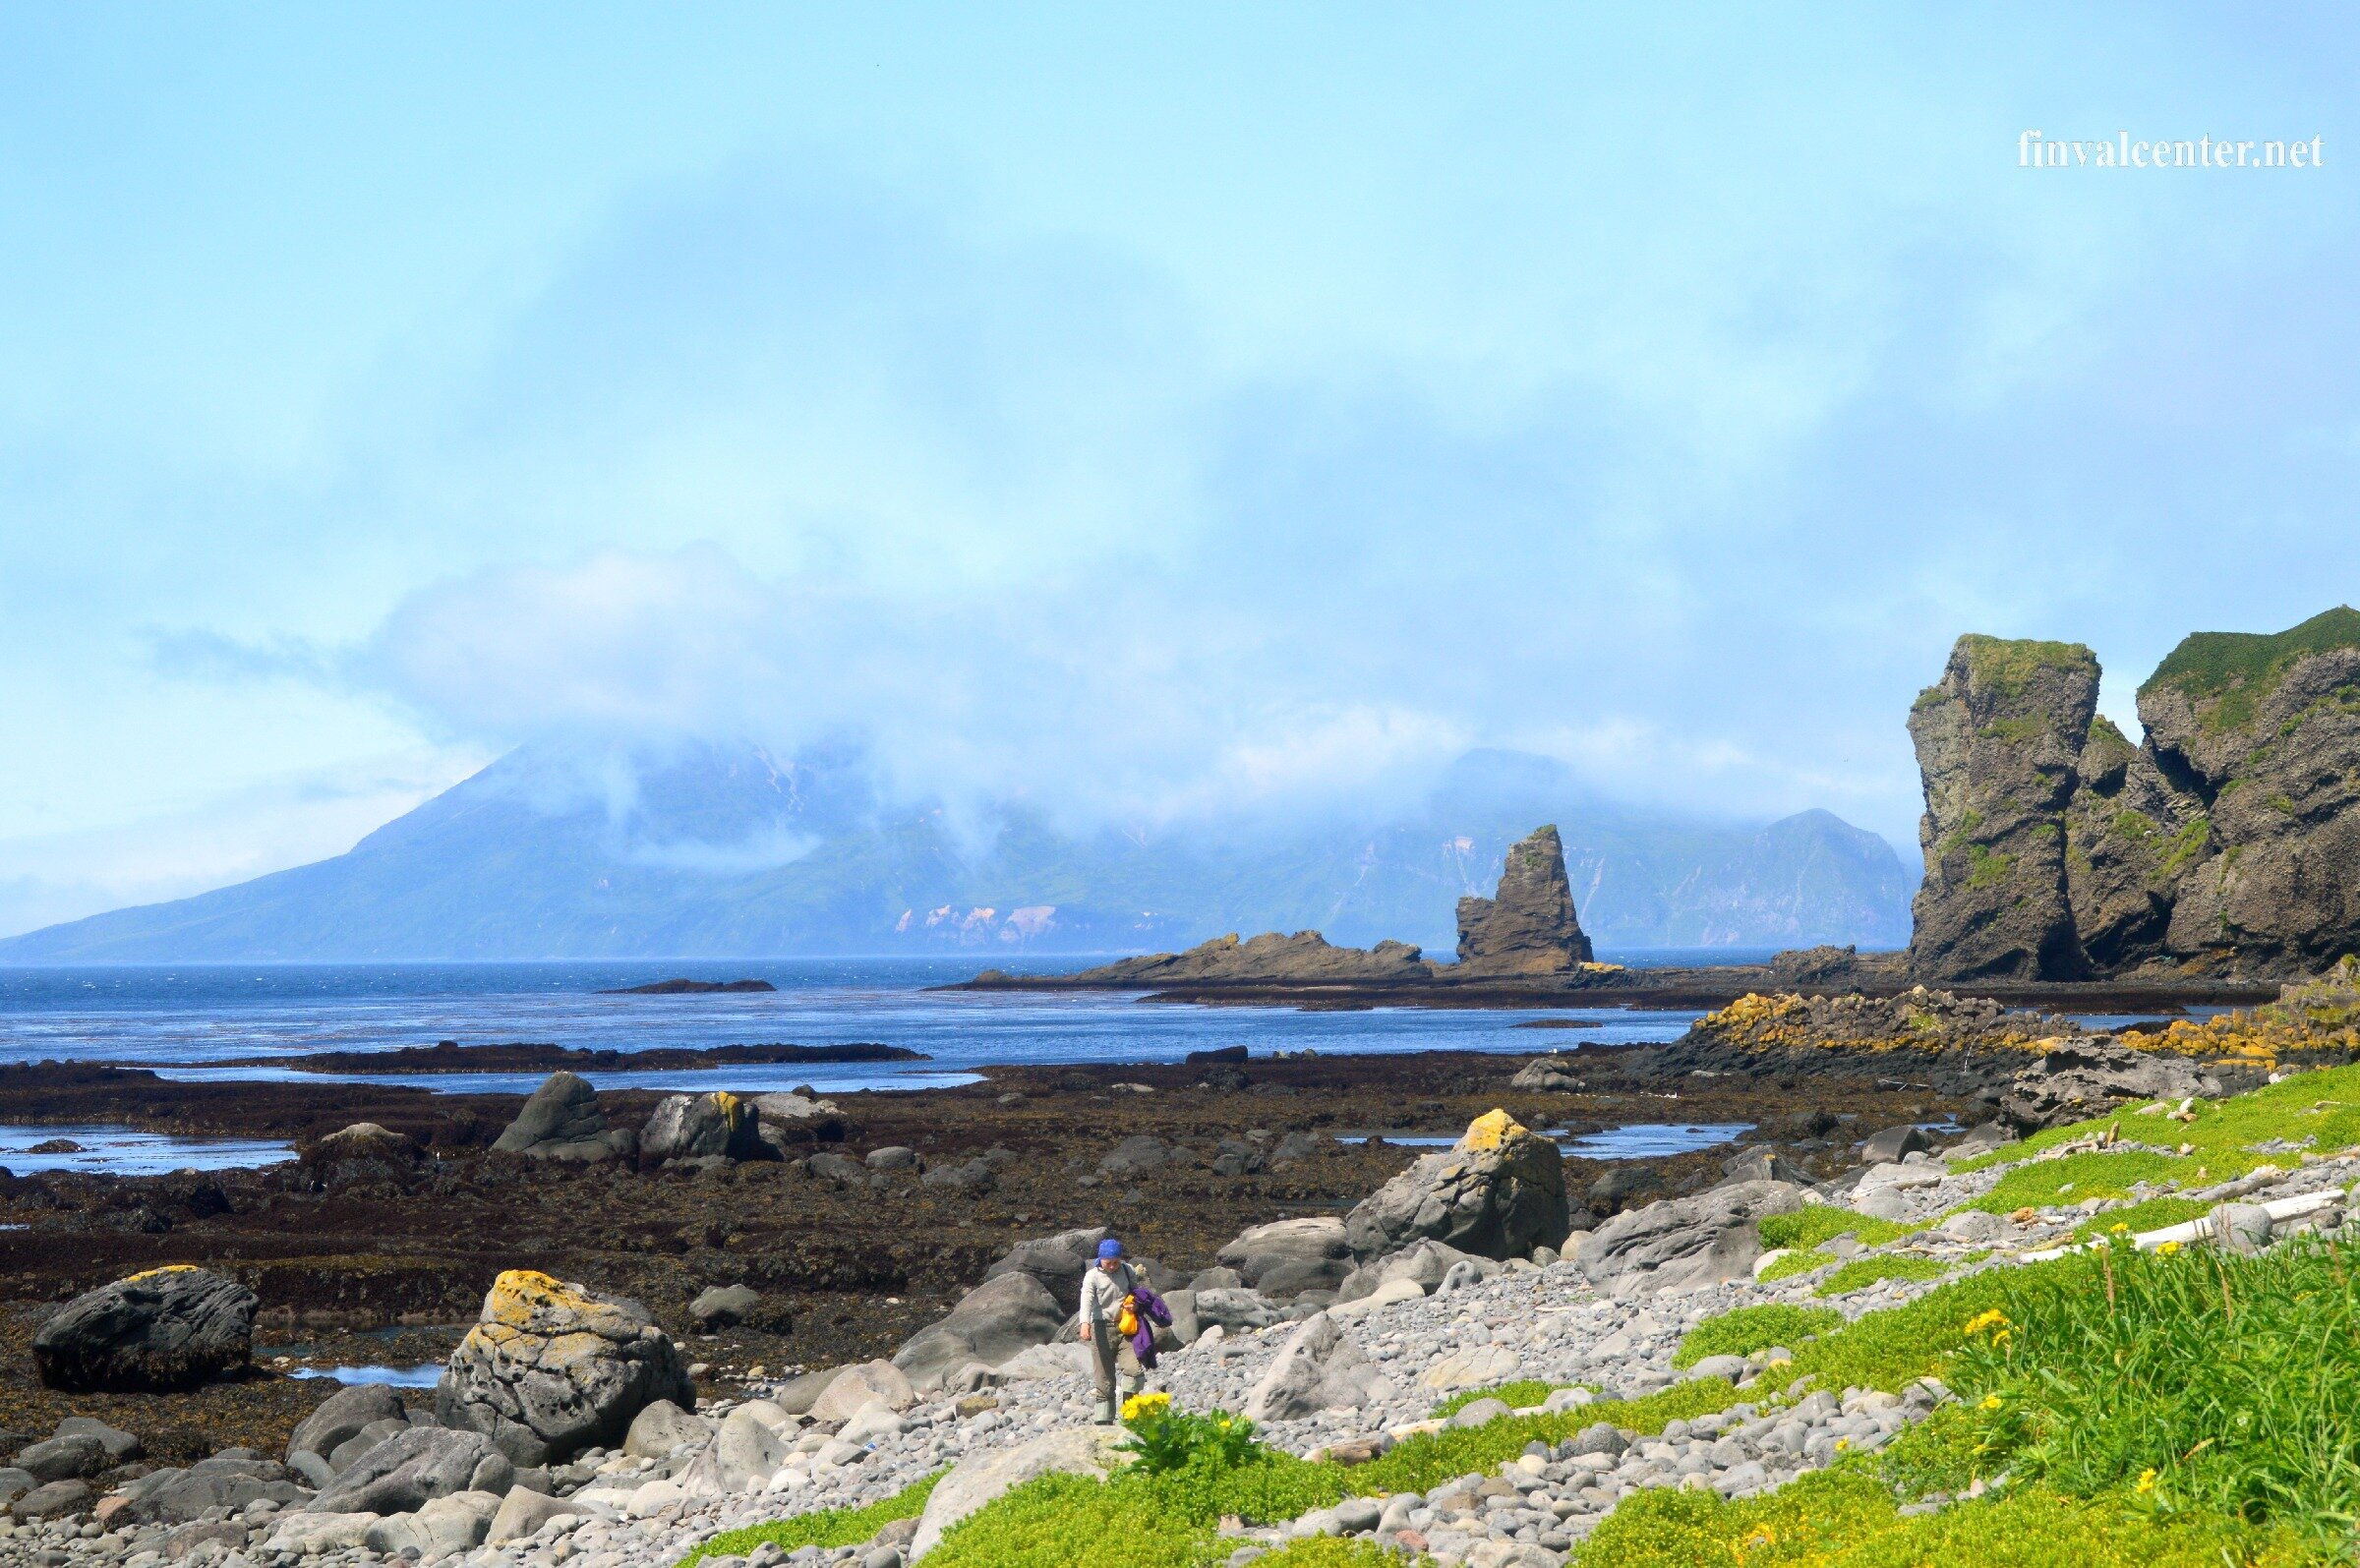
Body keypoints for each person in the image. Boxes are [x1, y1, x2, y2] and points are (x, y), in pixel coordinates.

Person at [1077, 1236, 1144, 1423]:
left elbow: (1136, 1293)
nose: (1113, 1266)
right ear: (1100, 1260)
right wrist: (1084, 1324)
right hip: (1101, 1328)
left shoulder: (1127, 1270)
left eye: (1116, 1262)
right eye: (1109, 1263)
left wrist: (1135, 1306)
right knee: (1104, 1379)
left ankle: (1131, 1417)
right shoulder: (1092, 1276)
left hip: (1126, 1328)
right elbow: (1086, 1300)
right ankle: (1103, 1422)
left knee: (1134, 1370)